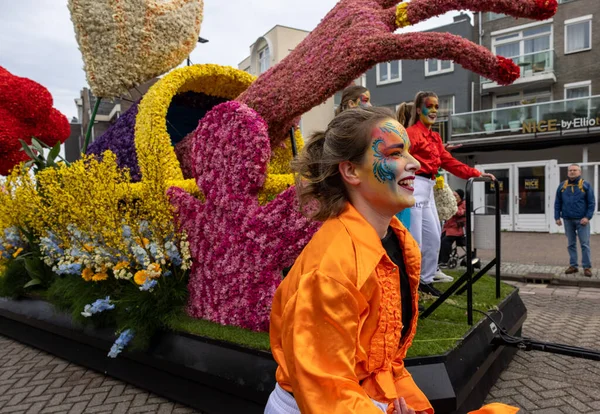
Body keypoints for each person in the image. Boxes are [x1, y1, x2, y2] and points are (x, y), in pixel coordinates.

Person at [265, 107, 518, 414]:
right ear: (351, 171)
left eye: (408, 152)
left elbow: (385, 360)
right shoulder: (332, 269)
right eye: (396, 153)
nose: (415, 163)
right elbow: (326, 390)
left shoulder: (398, 241)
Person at [405, 91, 495, 297]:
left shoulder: (435, 137)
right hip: (414, 186)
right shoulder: (410, 134)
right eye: (430, 106)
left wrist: (477, 173)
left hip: (428, 190)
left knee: (434, 238)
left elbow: (450, 163)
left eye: (437, 106)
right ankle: (409, 285)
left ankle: (425, 281)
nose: (434, 111)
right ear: (419, 109)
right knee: (415, 241)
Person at [554, 164, 595, 277]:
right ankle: (573, 266)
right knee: (571, 244)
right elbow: (558, 202)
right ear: (567, 172)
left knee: (584, 244)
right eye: (570, 170)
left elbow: (591, 203)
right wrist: (557, 217)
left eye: (574, 170)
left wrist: (587, 217)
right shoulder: (562, 186)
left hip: (582, 220)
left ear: (579, 172)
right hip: (567, 220)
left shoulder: (585, 185)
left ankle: (587, 267)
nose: (572, 172)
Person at [439, 189, 466, 267]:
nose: (453, 197)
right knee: (438, 240)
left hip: (457, 230)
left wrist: (451, 206)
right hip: (448, 228)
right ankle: (439, 260)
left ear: (460, 197)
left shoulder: (464, 204)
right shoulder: (453, 204)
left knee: (445, 241)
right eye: (453, 195)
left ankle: (445, 260)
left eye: (455, 195)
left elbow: (459, 213)